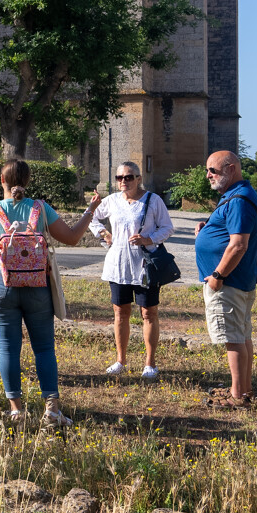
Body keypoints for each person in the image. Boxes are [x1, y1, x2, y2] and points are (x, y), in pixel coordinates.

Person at [0, 160, 101, 425]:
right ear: (28, 181)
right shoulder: (40, 209)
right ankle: (52, 411)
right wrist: (90, 209)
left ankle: (16, 412)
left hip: (1, 285)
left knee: (8, 348)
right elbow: (72, 238)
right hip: (37, 285)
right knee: (44, 348)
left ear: (2, 180)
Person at [88, 161, 175, 379]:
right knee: (120, 312)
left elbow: (167, 228)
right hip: (118, 264)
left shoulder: (153, 200)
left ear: (138, 178)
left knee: (149, 313)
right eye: (119, 178)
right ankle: (120, 360)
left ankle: (150, 363)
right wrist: (104, 234)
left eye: (128, 177)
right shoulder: (112, 200)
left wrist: (148, 239)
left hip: (144, 265)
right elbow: (91, 217)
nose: (123, 181)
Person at [194, 150, 257, 408]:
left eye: (213, 170)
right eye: (207, 170)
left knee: (234, 339)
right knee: (241, 336)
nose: (208, 175)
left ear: (231, 169)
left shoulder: (239, 200)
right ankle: (244, 390)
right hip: (236, 282)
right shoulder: (235, 196)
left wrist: (217, 276)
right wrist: (208, 229)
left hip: (228, 283)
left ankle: (237, 396)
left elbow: (238, 245)